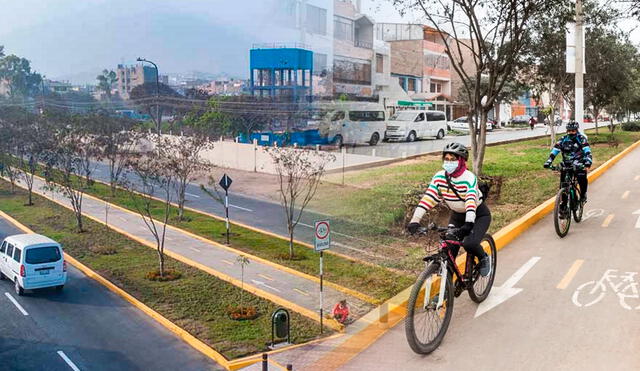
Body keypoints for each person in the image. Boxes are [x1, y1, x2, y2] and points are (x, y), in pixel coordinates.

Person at [406, 142, 492, 276]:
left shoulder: (469, 178)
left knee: (469, 244)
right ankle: (445, 292)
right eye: (446, 159)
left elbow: (470, 201)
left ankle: (484, 258)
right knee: (449, 252)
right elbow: (428, 198)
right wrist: (415, 220)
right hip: (457, 216)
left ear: (461, 161)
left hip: (478, 215)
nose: (449, 162)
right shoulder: (439, 177)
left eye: (453, 159)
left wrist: (469, 223)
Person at [543, 121, 592, 208]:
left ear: (576, 130)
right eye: (569, 131)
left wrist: (588, 162)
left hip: (579, 164)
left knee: (582, 179)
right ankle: (564, 206)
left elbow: (587, 151)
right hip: (567, 164)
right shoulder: (563, 139)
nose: (571, 133)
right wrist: (549, 161)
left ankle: (583, 195)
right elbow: (555, 150)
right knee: (563, 185)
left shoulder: (581, 139)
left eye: (573, 131)